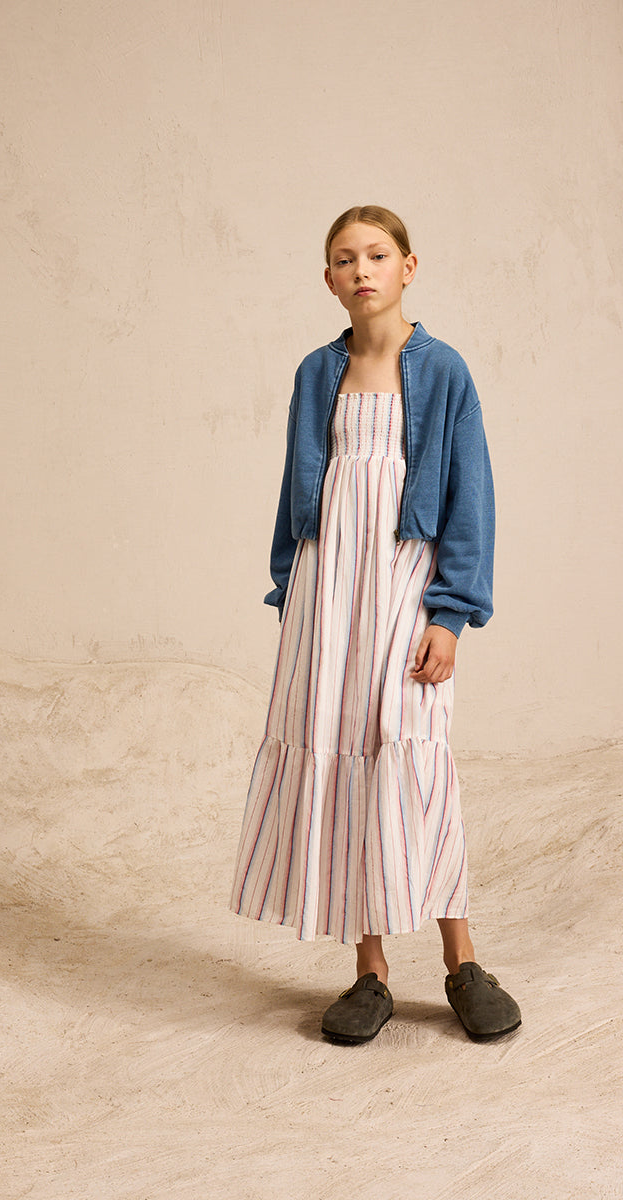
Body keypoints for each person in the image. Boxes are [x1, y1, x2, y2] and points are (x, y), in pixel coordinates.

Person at [229, 205, 521, 1044]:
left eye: (378, 255)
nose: (362, 269)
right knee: (346, 756)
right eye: (345, 259)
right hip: (327, 593)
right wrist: (291, 592)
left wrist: (451, 613)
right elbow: (297, 493)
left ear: (408, 267)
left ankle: (462, 962)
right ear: (329, 279)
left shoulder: (444, 371)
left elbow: (471, 498)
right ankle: (370, 972)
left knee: (413, 755)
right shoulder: (316, 374)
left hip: (404, 585)